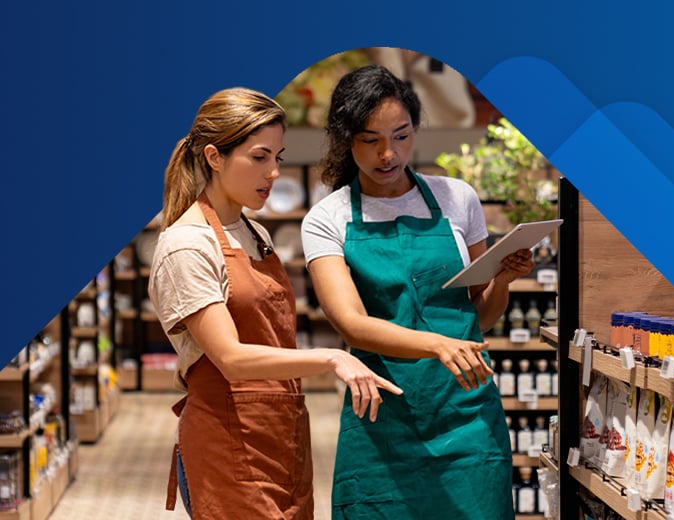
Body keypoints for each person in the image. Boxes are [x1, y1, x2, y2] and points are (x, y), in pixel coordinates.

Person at [147, 86, 402, 519]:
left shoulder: (255, 234)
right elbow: (230, 358)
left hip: (281, 434)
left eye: (278, 158)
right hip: (228, 441)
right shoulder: (187, 245)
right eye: (259, 157)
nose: (274, 173)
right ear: (214, 156)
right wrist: (330, 359)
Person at [300, 65, 535, 518]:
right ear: (345, 138)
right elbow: (352, 324)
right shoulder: (327, 219)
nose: (389, 153)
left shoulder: (457, 199)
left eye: (402, 136)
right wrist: (438, 345)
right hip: (383, 417)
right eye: (371, 140)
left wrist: (502, 280)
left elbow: (477, 318)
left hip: (466, 412)